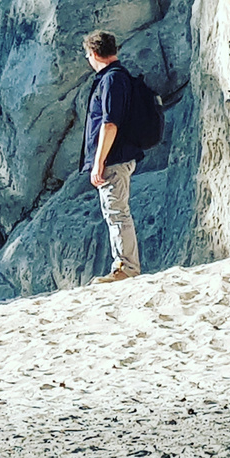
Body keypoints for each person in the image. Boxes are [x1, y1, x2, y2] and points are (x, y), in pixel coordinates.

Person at [81, 30, 143, 283]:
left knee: (116, 211)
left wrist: (98, 161)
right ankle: (123, 264)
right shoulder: (116, 77)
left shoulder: (111, 80)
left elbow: (110, 123)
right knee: (114, 211)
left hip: (114, 158)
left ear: (95, 53)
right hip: (117, 155)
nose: (88, 59)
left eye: (87, 54)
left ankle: (126, 267)